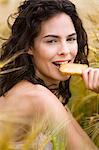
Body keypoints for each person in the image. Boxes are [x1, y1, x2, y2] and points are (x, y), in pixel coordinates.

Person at [0, 0, 99, 149]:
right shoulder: (38, 98)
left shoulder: (44, 90)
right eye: (52, 41)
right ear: (29, 46)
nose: (65, 50)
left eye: (71, 39)